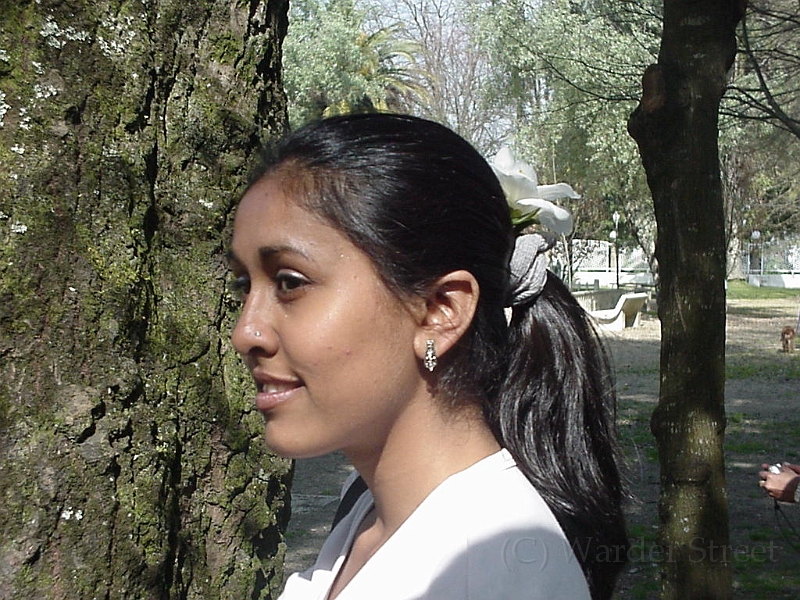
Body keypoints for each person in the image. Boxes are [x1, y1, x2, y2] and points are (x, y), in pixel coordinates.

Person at [228, 114, 628, 599]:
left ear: (440, 312)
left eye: (290, 282)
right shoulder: (373, 509)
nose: (244, 332)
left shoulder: (496, 573)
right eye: (244, 285)